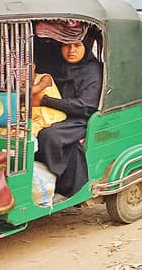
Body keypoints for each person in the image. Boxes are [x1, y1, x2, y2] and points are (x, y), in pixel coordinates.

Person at [32, 38, 103, 199]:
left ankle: (62, 185)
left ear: (85, 46)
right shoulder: (56, 65)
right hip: (53, 112)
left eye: (77, 45)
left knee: (49, 136)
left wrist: (45, 101)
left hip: (79, 118)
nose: (71, 50)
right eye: (66, 45)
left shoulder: (92, 70)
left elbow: (86, 106)